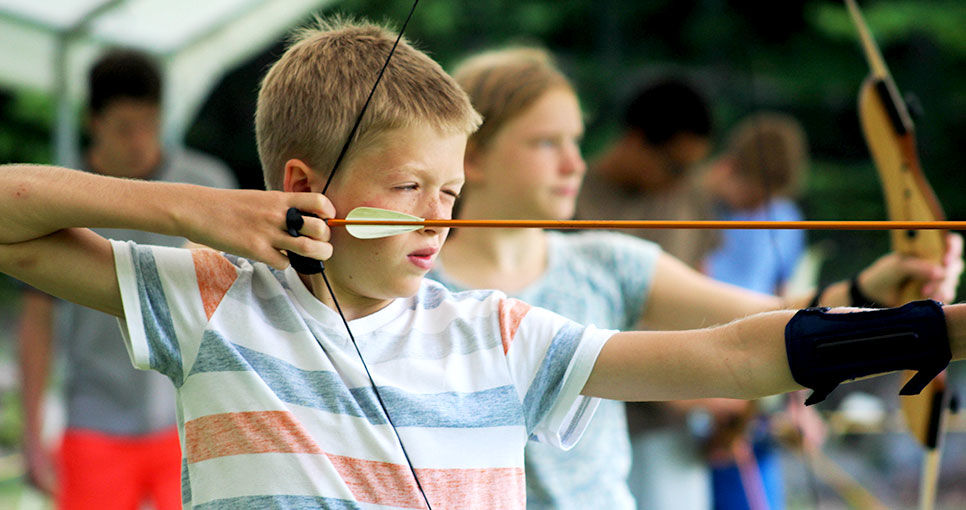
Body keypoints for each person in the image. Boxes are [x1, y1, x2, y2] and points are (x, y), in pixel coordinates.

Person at [1, 18, 964, 510]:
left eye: (452, 193)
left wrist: (935, 330)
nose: (440, 218)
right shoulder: (212, 300)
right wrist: (197, 211)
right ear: (302, 186)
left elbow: (733, 355)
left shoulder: (490, 330)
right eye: (412, 187)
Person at [431, 48, 955, 510]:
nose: (574, 163)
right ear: (472, 155)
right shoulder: (412, 291)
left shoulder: (607, 262)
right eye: (546, 143)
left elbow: (769, 317)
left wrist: (877, 295)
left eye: (576, 140)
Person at [17, 49, 235, 510]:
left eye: (149, 124)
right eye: (123, 127)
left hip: (188, 419)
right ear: (93, 122)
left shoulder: (206, 184)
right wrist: (33, 435)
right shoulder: (59, 194)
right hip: (94, 420)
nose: (139, 141)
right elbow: (36, 322)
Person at [700, 112, 812, 510]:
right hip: (696, 389)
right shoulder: (693, 205)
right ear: (731, 167)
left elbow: (790, 307)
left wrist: (799, 405)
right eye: (754, 191)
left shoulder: (784, 216)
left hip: (755, 395)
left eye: (769, 196)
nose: (759, 204)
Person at [577, 77, 717, 268]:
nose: (683, 181)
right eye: (676, 168)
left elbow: (701, 272)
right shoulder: (570, 198)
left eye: (692, 169)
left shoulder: (690, 196)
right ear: (636, 141)